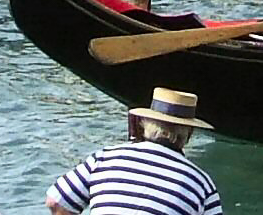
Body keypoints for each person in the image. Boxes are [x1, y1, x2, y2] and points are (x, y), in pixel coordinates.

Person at [46, 88, 222, 215]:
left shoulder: (105, 158)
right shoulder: (202, 184)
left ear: (144, 124)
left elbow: (56, 202)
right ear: (189, 133)